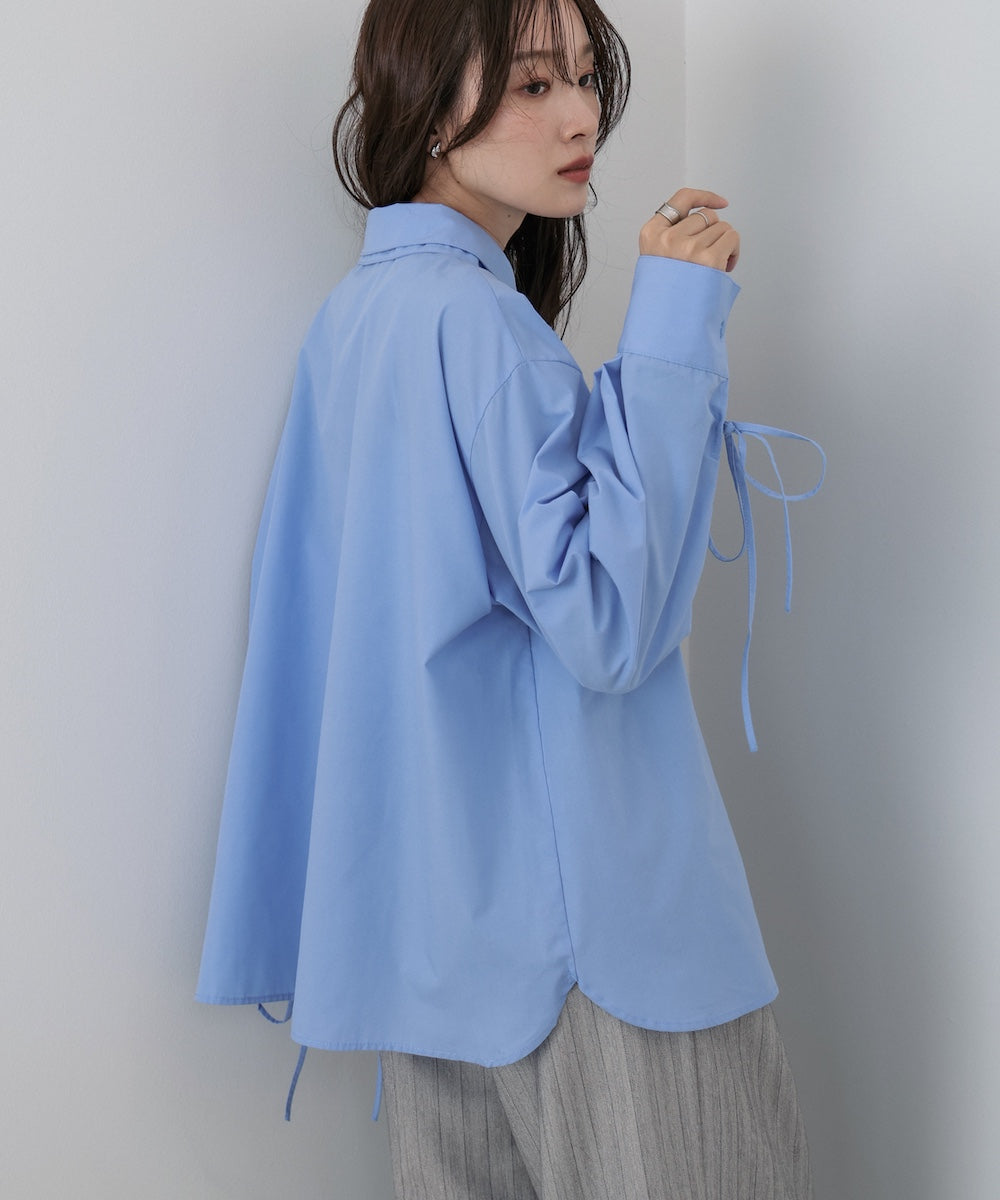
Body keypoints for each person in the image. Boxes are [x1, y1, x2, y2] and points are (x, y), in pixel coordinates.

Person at [197, 0, 819, 1196]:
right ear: (430, 107)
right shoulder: (476, 325)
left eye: (584, 78)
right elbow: (611, 624)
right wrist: (675, 325)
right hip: (595, 946)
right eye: (534, 85)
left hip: (433, 951)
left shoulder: (354, 322)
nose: (582, 115)